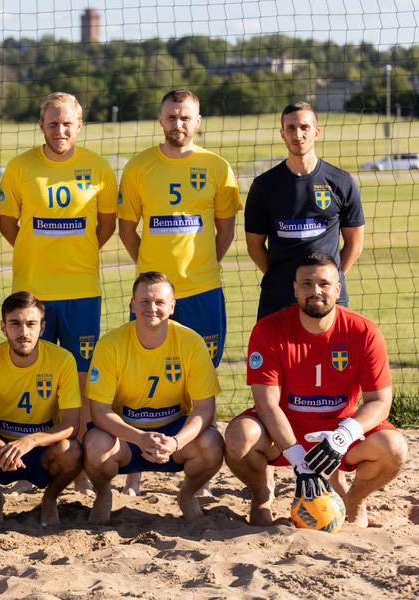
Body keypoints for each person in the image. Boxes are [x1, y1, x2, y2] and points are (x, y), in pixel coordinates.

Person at [224, 252, 407, 528]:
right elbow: (266, 404)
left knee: (395, 449)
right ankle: (262, 495)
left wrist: (344, 436)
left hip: (338, 433)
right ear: (295, 289)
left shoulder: (364, 332)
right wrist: (297, 458)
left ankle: (354, 500)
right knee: (238, 437)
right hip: (284, 431)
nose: (315, 291)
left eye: (323, 283)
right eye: (307, 284)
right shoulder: (268, 329)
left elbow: (380, 401)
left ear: (337, 289)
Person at [117, 88, 240, 496]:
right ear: (160, 119)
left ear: (198, 120)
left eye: (185, 117)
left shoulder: (217, 167)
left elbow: (225, 230)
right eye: (171, 117)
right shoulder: (138, 168)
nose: (178, 124)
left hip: (203, 290)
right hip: (153, 295)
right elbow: (126, 230)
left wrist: (201, 267)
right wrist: (153, 275)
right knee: (141, 375)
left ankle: (193, 469)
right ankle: (134, 467)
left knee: (198, 379)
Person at [0, 92, 117, 492]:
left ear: (79, 125)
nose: (60, 131)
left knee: (81, 381)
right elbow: (8, 226)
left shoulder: (99, 168)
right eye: (53, 124)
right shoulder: (18, 168)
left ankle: (79, 465)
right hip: (34, 293)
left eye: (67, 124)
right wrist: (40, 253)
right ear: (41, 125)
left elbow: (105, 227)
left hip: (82, 290)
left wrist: (75, 253)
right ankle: (27, 468)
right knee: (35, 379)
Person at [82, 272, 224, 523]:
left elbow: (204, 410)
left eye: (160, 302)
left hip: (172, 435)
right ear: (132, 304)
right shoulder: (110, 344)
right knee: (94, 444)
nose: (152, 308)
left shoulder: (191, 343)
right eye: (145, 301)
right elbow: (99, 411)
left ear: (172, 306)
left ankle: (187, 495)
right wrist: (138, 438)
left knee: (212, 442)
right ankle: (104, 495)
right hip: (126, 436)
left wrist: (175, 442)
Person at [0, 292, 83, 527]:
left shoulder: (62, 360)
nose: (23, 332)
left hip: (41, 448)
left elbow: (71, 424)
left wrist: (31, 441)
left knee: (72, 451)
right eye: (15, 324)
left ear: (42, 328)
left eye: (31, 324)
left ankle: (49, 500)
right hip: (2, 450)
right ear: (4, 328)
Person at [244, 101, 364, 321]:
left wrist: (327, 280)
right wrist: (283, 279)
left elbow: (355, 245)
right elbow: (254, 246)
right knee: (276, 357)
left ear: (316, 132)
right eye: (290, 128)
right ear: (282, 134)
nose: (297, 134)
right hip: (278, 298)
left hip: (327, 300)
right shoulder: (264, 186)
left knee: (329, 356)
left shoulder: (341, 181)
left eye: (304, 127)